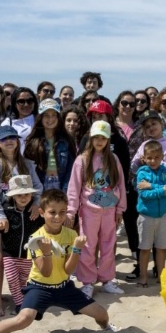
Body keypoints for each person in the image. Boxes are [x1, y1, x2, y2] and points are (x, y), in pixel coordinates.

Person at [0, 189, 120, 333]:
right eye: (52, 212)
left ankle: (106, 328)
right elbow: (46, 273)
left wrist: (76, 250)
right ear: (42, 212)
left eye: (62, 212)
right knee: (24, 319)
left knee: (102, 314)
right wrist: (46, 253)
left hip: (63, 287)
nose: (57, 217)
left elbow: (68, 270)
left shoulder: (71, 234)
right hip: (40, 287)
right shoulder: (36, 239)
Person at [0, 125, 43, 316]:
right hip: (1, 216)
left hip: (24, 214)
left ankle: (22, 297)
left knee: (25, 258)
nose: (9, 141)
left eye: (12, 137)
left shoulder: (27, 163)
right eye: (4, 139)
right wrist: (0, 216)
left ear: (18, 141)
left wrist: (36, 203)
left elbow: (38, 187)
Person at [67, 121, 127, 295]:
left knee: (108, 245)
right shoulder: (82, 160)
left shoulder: (113, 159)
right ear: (91, 138)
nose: (100, 141)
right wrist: (71, 211)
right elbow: (74, 187)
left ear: (108, 140)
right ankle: (87, 282)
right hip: (88, 211)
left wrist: (120, 209)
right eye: (97, 138)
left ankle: (107, 279)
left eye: (103, 138)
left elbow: (120, 184)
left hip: (109, 211)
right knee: (88, 246)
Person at [0, 174, 44, 311]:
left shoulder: (35, 211)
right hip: (9, 253)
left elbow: (43, 228)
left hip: (28, 254)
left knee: (24, 280)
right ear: (13, 196)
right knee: (11, 279)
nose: (23, 198)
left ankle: (24, 301)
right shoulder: (6, 209)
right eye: (19, 195)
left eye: (27, 195)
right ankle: (19, 304)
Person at [134, 140, 166, 287]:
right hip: (146, 216)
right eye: (149, 158)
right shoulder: (142, 173)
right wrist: (161, 190)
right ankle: (143, 277)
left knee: (161, 248)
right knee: (145, 249)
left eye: (157, 157)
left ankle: (161, 277)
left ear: (162, 157)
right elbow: (144, 195)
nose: (153, 161)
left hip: (163, 216)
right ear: (144, 158)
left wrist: (151, 186)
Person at [24, 98, 77, 193]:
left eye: (54, 115)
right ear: (40, 117)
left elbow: (71, 169)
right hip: (39, 186)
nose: (50, 119)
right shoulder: (33, 142)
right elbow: (28, 170)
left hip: (61, 185)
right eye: (46, 115)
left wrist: (65, 191)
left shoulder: (66, 140)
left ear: (58, 117)